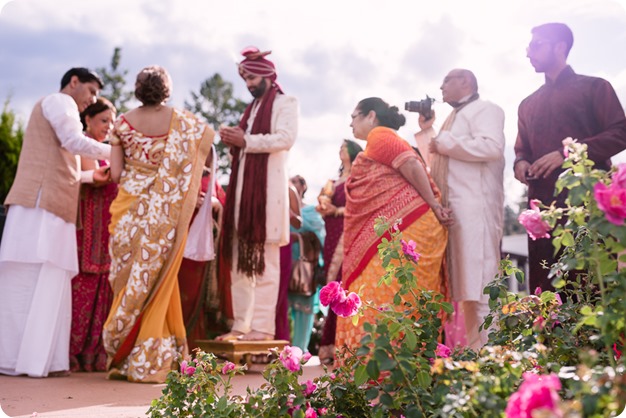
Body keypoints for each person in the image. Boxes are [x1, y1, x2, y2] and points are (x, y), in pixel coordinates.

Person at [102, 65, 214, 383]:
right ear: (166, 89)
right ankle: (155, 353)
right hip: (163, 214)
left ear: (138, 89)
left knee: (127, 281)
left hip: (127, 213)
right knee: (158, 279)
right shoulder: (183, 123)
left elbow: (114, 175)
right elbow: (204, 149)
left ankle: (122, 357)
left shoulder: (122, 123)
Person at [0, 67, 111, 378]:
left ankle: (34, 360)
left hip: (50, 204)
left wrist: (92, 175)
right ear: (73, 83)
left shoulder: (59, 107)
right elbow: (74, 142)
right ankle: (23, 359)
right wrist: (116, 152)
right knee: (31, 277)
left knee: (43, 279)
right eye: (91, 91)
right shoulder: (60, 102)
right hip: (40, 204)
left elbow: (62, 161)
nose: (93, 100)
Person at [514, 22, 626, 292]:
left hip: (585, 205)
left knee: (591, 285)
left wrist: (567, 154)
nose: (529, 53)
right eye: (528, 46)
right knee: (546, 293)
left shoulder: (594, 88)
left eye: (536, 45)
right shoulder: (527, 104)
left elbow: (620, 132)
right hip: (542, 212)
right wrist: (521, 164)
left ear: (560, 47)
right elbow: (521, 151)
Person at [335, 97, 452, 355]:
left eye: (354, 117)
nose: (350, 123)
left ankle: (387, 365)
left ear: (371, 116)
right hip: (400, 229)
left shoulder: (380, 136)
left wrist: (434, 205)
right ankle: (397, 364)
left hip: (405, 228)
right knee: (389, 294)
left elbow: (410, 163)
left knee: (384, 294)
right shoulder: (377, 142)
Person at [414, 69, 506, 350]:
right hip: (456, 213)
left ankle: (493, 361)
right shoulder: (450, 119)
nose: (440, 87)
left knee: (481, 288)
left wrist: (444, 142)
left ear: (465, 81)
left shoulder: (487, 109)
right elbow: (437, 160)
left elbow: (492, 147)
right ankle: (479, 360)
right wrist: (429, 130)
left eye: (446, 81)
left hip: (475, 210)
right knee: (468, 291)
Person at [217, 47, 298, 341]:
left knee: (265, 265)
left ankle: (262, 330)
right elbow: (247, 143)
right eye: (246, 79)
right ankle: (241, 326)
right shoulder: (249, 111)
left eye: (252, 78)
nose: (249, 84)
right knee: (240, 265)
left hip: (266, 197)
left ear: (267, 75)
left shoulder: (286, 103)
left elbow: (285, 139)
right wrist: (235, 141)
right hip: (242, 198)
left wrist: (246, 140)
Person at [70, 97, 118, 372]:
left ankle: (94, 354)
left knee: (103, 292)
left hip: (106, 232)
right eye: (103, 120)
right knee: (83, 292)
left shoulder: (107, 148)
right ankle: (74, 352)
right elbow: (96, 175)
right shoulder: (84, 145)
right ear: (88, 119)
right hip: (87, 231)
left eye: (111, 122)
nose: (108, 126)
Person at [315, 139, 362, 364]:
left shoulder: (358, 179)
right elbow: (322, 206)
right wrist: (326, 207)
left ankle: (344, 346)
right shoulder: (333, 182)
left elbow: (359, 207)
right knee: (332, 285)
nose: (340, 150)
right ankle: (329, 346)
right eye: (339, 147)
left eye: (344, 147)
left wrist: (337, 210)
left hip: (349, 235)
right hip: (332, 236)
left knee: (345, 285)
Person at [288, 175, 325, 353]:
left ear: (303, 186)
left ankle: (299, 351)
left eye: (295, 181)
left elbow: (320, 238)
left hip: (305, 267)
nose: (291, 185)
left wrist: (300, 237)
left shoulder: (312, 212)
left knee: (303, 310)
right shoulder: (281, 210)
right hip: (284, 263)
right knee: (281, 308)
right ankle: (279, 351)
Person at [275, 177, 303, 342]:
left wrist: (290, 215)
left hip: (282, 244)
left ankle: (278, 339)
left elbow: (299, 222)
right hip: (260, 242)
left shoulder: (289, 190)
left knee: (278, 292)